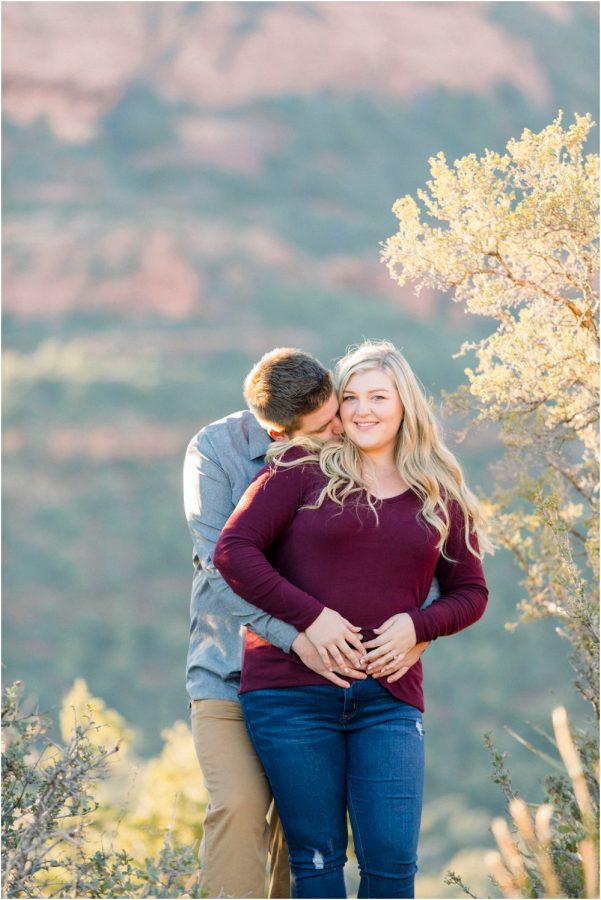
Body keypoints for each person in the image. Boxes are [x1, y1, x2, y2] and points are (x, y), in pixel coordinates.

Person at [214, 339, 491, 899]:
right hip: (290, 698)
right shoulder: (301, 466)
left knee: (392, 868)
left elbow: (470, 591)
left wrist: (420, 625)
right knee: (316, 864)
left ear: (404, 403)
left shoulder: (438, 491)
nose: (363, 410)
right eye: (351, 397)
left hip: (388, 701)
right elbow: (233, 551)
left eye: (379, 397)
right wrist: (311, 619)